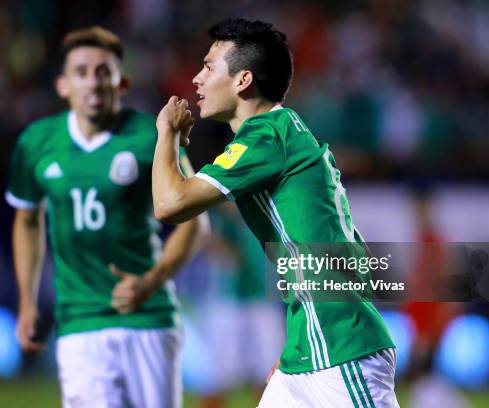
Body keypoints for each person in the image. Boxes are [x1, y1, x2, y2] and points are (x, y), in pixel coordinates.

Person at [152, 18, 399, 407]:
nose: (196, 79)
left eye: (208, 67)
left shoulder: (268, 137)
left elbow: (169, 204)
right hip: (308, 353)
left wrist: (166, 135)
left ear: (242, 80)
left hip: (342, 351)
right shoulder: (278, 134)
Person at [6, 26, 207, 408]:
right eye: (81, 72)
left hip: (149, 317)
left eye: (103, 72)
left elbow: (196, 225)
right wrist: (28, 302)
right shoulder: (36, 143)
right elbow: (27, 220)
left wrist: (151, 281)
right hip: (80, 321)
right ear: (63, 85)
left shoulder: (151, 136)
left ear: (123, 82)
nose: (93, 83)